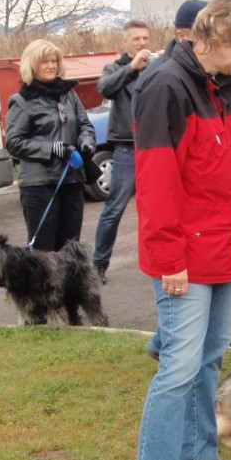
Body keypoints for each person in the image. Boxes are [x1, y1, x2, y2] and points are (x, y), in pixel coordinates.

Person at [131, 0, 231, 460]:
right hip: (184, 258)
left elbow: (224, 176)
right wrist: (169, 260)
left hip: (222, 253)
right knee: (178, 369)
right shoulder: (166, 86)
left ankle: (199, 459)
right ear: (222, 36)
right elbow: (157, 182)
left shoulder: (221, 89)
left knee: (209, 357)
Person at [5, 39, 95, 252]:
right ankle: (44, 287)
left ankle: (70, 286)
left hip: (71, 180)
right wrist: (50, 148)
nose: (51, 66)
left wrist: (86, 143)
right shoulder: (22, 100)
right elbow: (14, 143)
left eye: (54, 61)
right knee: (44, 251)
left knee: (71, 248)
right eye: (44, 61)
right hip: (39, 185)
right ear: (32, 65)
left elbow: (85, 125)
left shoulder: (68, 94)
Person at [91, 19, 153, 284]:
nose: (141, 44)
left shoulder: (157, 67)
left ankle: (158, 262)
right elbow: (105, 88)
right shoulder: (115, 68)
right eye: (136, 39)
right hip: (127, 148)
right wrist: (131, 68)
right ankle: (99, 264)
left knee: (156, 209)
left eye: (145, 39)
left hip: (154, 147)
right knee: (114, 209)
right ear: (125, 42)